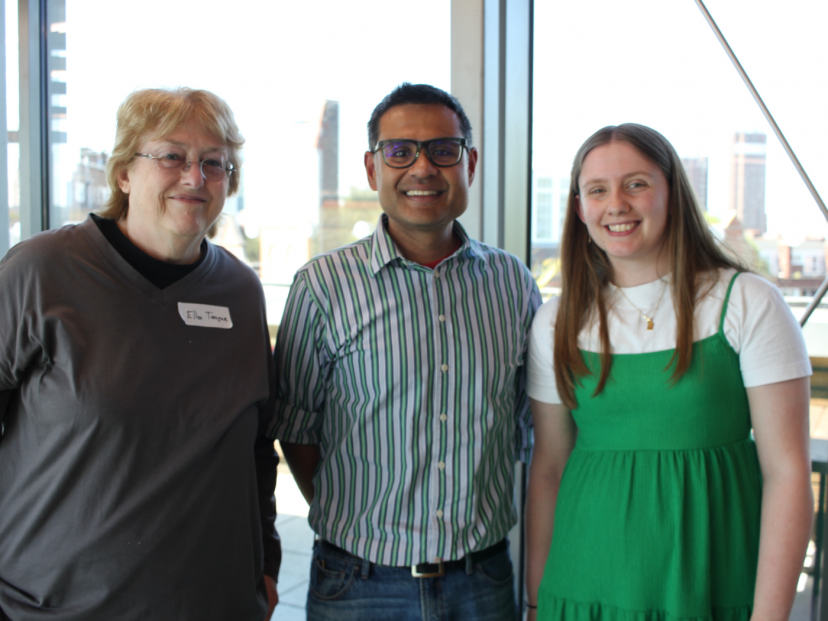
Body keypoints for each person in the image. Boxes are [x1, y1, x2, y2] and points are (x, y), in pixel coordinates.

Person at [0, 87, 280, 621]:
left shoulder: (241, 292)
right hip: (53, 607)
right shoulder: (41, 271)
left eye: (214, 162)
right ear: (124, 173)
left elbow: (256, 446)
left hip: (215, 604)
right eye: (172, 156)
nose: (194, 177)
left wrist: (265, 565)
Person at [272, 83, 541, 620]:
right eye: (399, 151)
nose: (423, 168)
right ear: (373, 169)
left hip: (483, 581)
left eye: (443, 149)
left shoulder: (512, 283)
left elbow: (530, 425)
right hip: (359, 583)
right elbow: (296, 429)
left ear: (469, 164)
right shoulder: (323, 286)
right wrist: (361, 522)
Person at [524, 123, 813, 621]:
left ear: (673, 194)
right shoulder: (556, 321)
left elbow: (787, 474)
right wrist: (535, 601)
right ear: (580, 210)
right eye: (597, 190)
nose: (617, 204)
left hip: (710, 582)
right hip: (581, 585)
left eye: (636, 184)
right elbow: (548, 469)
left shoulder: (746, 302)